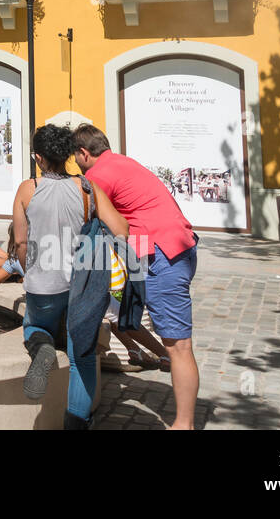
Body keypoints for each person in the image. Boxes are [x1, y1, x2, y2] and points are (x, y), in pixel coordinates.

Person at [0, 124, 128, 427]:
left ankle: (42, 346)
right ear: (68, 155)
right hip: (82, 287)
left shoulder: (27, 189)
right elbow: (122, 230)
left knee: (33, 327)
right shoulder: (88, 188)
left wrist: (29, 270)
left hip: (42, 286)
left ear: (38, 157)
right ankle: (75, 422)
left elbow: (20, 242)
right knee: (82, 358)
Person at [73, 123, 199, 430]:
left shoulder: (98, 175)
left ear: (83, 153)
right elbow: (131, 221)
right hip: (172, 246)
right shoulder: (122, 162)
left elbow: (81, 218)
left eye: (75, 158)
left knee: (179, 346)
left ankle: (184, 424)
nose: (76, 164)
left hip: (163, 256)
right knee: (126, 315)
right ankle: (152, 357)